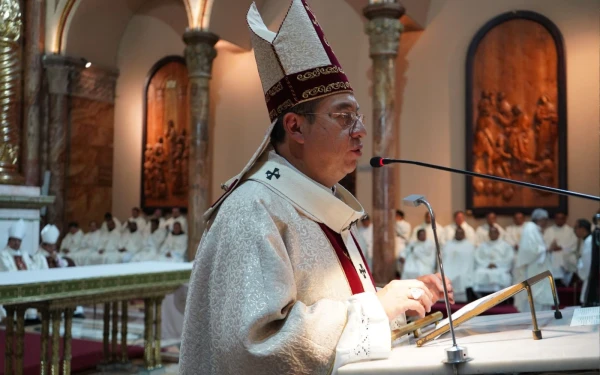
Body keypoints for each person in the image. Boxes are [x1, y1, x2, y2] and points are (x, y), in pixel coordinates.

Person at [179, 1, 453, 373]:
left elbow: (339, 305)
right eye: (343, 116)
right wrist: (377, 307)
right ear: (294, 127)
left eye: (358, 116)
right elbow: (256, 344)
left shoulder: (320, 203)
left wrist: (401, 302)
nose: (360, 130)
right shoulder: (253, 209)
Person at [514, 209, 558, 312]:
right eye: (545, 220)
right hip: (534, 269)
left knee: (541, 295)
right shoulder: (530, 229)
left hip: (539, 268)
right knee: (535, 294)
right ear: (539, 219)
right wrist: (548, 248)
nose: (546, 222)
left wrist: (548, 249)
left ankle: (543, 320)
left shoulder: (535, 229)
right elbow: (530, 250)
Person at [473, 226, 514, 293]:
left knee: (500, 274)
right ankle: (481, 295)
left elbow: (508, 258)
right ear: (488, 234)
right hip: (485, 267)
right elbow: (477, 257)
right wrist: (486, 264)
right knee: (478, 273)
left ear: (498, 234)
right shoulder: (483, 245)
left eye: (494, 233)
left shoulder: (505, 245)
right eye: (491, 233)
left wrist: (497, 264)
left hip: (500, 267)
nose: (492, 234)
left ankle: (500, 295)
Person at [543, 212, 578, 286]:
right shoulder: (548, 231)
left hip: (566, 254)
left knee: (563, 257)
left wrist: (561, 248)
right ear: (555, 219)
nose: (559, 220)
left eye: (561, 218)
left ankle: (562, 281)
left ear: (565, 219)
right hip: (551, 254)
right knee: (554, 257)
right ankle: (554, 281)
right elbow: (544, 244)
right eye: (557, 218)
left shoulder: (571, 231)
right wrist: (551, 247)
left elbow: (573, 246)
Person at [442, 227, 475, 302]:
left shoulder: (469, 245)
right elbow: (444, 257)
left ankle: (459, 299)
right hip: (449, 267)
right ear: (455, 234)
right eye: (457, 233)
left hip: (463, 268)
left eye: (461, 233)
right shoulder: (448, 244)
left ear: (464, 235)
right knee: (445, 276)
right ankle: (445, 298)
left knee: (461, 276)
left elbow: (469, 261)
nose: (459, 235)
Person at [574, 219, 593, 305]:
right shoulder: (587, 240)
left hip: (591, 280)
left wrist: (579, 268)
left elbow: (587, 266)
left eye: (576, 228)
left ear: (583, 229)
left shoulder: (589, 242)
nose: (575, 230)